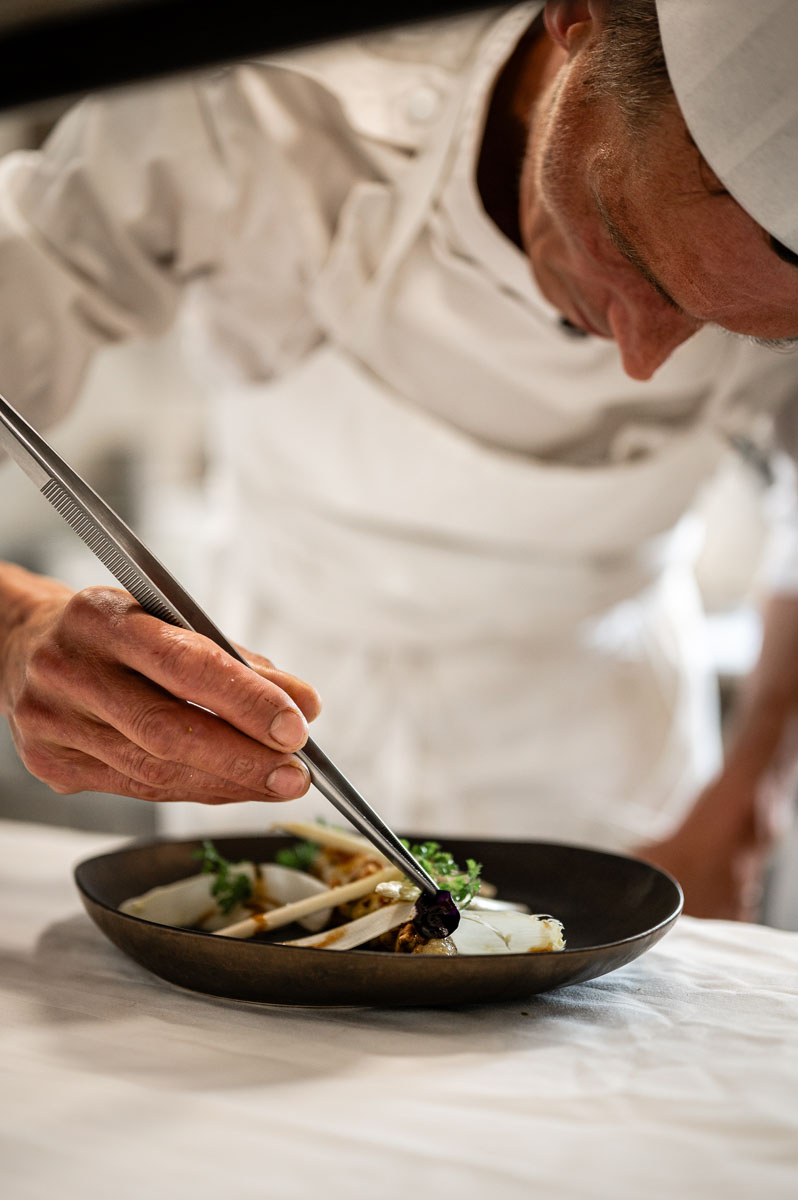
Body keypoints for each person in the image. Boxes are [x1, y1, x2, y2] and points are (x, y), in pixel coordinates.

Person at [0, 0, 796, 920]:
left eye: (725, 325)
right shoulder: (250, 96)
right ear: (581, 14)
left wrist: (750, 796)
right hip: (256, 758)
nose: (642, 358)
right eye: (626, 243)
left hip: (610, 794)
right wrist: (16, 625)